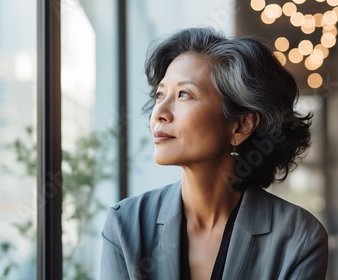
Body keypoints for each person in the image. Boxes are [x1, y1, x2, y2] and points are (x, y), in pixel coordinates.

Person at [100, 28, 328, 280]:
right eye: (160, 95)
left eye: (184, 94)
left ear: (240, 126)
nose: (159, 113)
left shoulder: (299, 236)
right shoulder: (125, 225)